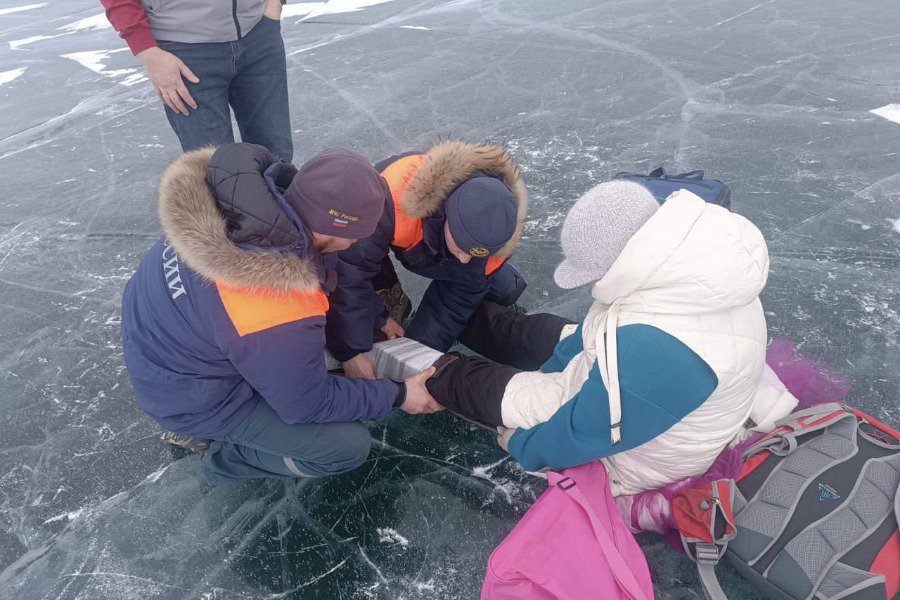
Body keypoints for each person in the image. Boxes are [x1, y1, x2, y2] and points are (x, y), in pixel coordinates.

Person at [426, 180, 771, 496]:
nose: (589, 286)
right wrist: (548, 370)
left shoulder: (663, 355)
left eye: (591, 276)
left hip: (641, 455)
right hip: (635, 382)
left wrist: (524, 444)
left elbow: (581, 434)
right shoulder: (677, 264)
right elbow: (592, 334)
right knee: (542, 334)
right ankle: (461, 320)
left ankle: (428, 370)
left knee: (492, 390)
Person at [120, 143, 440, 483]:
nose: (357, 244)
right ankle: (224, 459)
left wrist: (373, 317)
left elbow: (324, 267)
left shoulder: (246, 209)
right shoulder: (274, 301)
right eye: (357, 235)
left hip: (165, 343)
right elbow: (306, 404)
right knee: (345, 446)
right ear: (336, 229)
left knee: (307, 358)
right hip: (192, 399)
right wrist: (400, 395)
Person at [325, 140, 529, 379]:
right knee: (354, 287)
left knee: (500, 287)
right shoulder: (389, 198)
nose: (464, 259)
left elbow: (451, 306)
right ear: (448, 218)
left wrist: (414, 358)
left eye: (474, 253)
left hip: (432, 244)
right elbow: (349, 271)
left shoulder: (496, 239)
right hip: (388, 230)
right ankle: (384, 298)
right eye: (462, 247)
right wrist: (351, 351)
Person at [100, 0, 293, 160]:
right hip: (184, 51)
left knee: (276, 154)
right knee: (216, 167)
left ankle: (279, 204)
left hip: (259, 33)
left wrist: (275, 3)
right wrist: (148, 52)